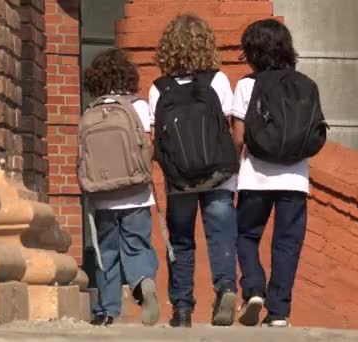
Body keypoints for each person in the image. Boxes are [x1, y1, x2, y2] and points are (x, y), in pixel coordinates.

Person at [149, 14, 239, 328]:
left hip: (180, 180)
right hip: (219, 174)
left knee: (182, 240)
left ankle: (183, 308)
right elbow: (227, 124)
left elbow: (155, 137)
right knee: (221, 236)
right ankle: (226, 287)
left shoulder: (158, 87)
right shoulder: (218, 81)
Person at [233, 19, 318, 328]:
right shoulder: (306, 84)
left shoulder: (246, 84)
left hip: (255, 175)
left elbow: (239, 137)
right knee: (287, 244)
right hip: (295, 178)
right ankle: (279, 312)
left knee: (244, 234)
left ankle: (254, 289)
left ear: (253, 51)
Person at [80, 48, 159, 327]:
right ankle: (142, 282)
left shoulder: (91, 111)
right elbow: (148, 146)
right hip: (136, 192)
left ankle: (107, 310)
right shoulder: (138, 106)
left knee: (107, 253)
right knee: (137, 246)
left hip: (102, 195)